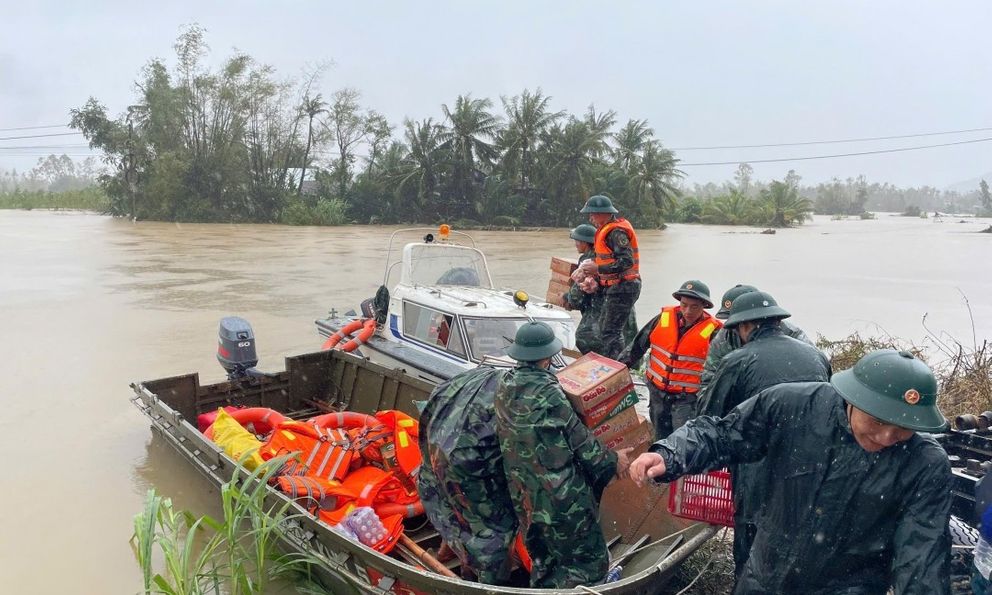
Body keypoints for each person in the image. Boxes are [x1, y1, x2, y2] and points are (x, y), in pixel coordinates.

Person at [630, 349, 953, 594]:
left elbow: (921, 557)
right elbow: (724, 434)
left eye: (902, 430)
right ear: (853, 400)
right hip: (766, 574)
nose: (886, 437)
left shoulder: (925, 465)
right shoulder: (795, 406)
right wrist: (671, 454)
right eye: (877, 421)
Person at [694, 290, 832, 578]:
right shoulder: (817, 356)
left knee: (752, 542)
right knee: (800, 540)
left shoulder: (738, 360)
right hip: (812, 468)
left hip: (757, 468)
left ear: (745, 326)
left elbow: (708, 417)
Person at [494, 321, 630, 588]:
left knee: (544, 562)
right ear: (546, 356)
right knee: (589, 564)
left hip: (524, 498)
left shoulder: (503, 387)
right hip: (563, 500)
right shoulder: (551, 394)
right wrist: (616, 461)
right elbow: (584, 446)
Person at [417, 365, 518, 584]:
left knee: (458, 525)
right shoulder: (515, 400)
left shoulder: (464, 381)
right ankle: (484, 585)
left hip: (434, 478)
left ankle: (457, 560)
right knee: (493, 541)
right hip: (463, 478)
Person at [618, 280, 721, 440]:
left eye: (694, 307)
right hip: (657, 393)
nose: (688, 311)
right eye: (684, 304)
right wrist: (616, 369)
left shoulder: (714, 332)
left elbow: (721, 369)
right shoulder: (663, 319)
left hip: (687, 400)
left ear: (704, 306)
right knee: (660, 437)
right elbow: (637, 346)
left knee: (682, 440)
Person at [699, 284, 814, 391]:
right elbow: (709, 380)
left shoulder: (792, 334)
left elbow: (812, 367)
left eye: (742, 320)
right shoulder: (724, 339)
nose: (737, 327)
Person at [575, 195, 640, 360]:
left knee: (611, 332)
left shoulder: (616, 232)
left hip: (624, 286)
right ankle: (614, 365)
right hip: (616, 286)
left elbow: (626, 261)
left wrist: (598, 268)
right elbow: (607, 260)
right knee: (606, 329)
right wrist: (593, 276)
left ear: (604, 213)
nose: (591, 218)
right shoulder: (604, 231)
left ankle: (616, 368)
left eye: (593, 214)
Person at [564, 224, 637, 355]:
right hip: (625, 323)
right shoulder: (610, 257)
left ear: (584, 243)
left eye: (576, 241)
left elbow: (576, 299)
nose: (575, 244)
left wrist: (565, 298)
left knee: (584, 339)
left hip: (601, 323)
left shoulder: (587, 263)